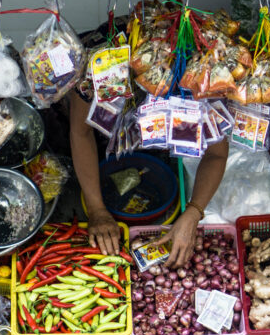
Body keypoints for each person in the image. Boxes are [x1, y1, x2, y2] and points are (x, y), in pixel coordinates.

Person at [69, 88, 229, 266]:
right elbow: (80, 132)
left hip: (164, 154)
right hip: (99, 148)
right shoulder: (102, 73)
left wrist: (194, 212)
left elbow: (217, 154)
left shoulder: (197, 81)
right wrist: (96, 209)